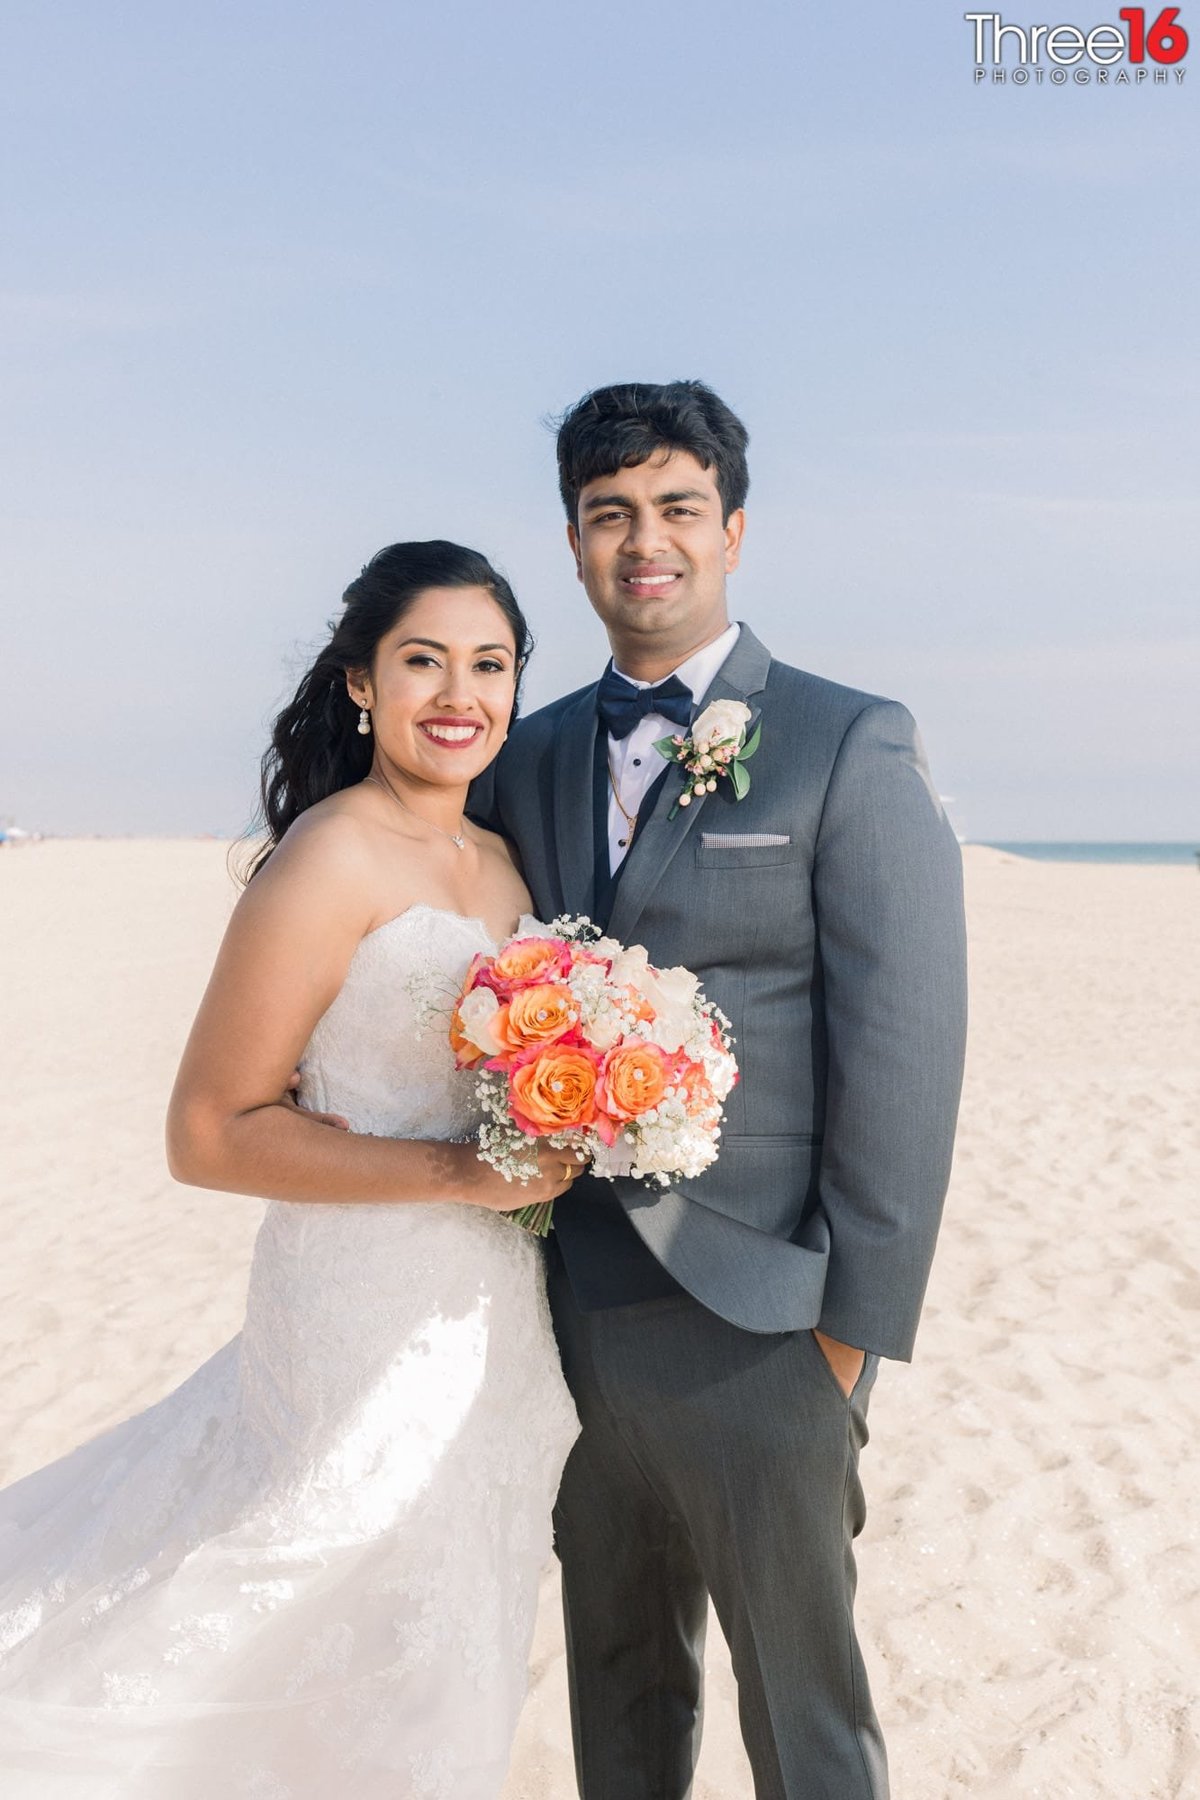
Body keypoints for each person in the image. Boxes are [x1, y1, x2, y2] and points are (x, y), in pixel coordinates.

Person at [0, 541, 580, 1799]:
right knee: (299, 1568)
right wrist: (457, 1176)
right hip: (361, 1309)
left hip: (497, 1327)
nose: (458, 694)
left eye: (489, 664)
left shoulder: (501, 863)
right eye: (422, 661)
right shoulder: (330, 855)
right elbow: (208, 1129)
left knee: (445, 1627)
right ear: (363, 682)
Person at [474, 380, 969, 1799]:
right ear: (572, 542)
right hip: (567, 1322)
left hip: (768, 1321)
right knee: (620, 1700)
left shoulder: (842, 740)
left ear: (734, 529)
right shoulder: (531, 752)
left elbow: (906, 1047)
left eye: (678, 508)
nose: (647, 542)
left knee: (806, 1722)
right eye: (610, 513)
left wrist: (848, 1338)